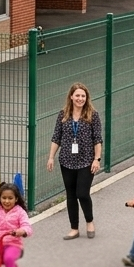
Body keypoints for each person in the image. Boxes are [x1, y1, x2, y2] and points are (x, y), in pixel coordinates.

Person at [46, 82, 103, 239]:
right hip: (66, 160)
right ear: (71, 97)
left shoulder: (93, 115)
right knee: (71, 195)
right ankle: (74, 228)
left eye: (83, 96)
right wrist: (51, 157)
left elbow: (98, 140)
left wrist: (97, 159)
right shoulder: (63, 115)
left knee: (82, 193)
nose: (80, 99)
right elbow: (56, 137)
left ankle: (89, 221)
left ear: (87, 98)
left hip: (86, 161)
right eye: (77, 95)